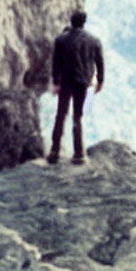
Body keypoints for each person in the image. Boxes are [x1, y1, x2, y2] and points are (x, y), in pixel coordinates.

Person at [47, 10, 104, 164]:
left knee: (60, 115)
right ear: (83, 22)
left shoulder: (61, 40)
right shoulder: (93, 41)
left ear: (71, 21)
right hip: (82, 82)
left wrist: (55, 81)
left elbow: (56, 63)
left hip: (66, 81)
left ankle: (54, 151)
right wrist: (100, 81)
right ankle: (78, 154)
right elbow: (99, 62)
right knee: (77, 116)